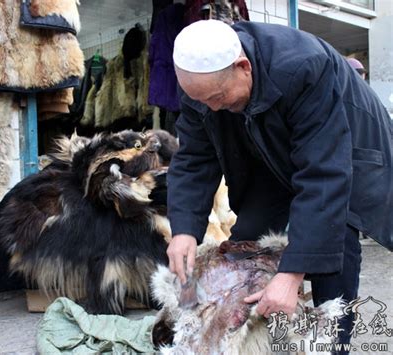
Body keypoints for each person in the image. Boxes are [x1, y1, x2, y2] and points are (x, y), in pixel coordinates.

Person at [166, 19, 392, 354]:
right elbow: (194, 159)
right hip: (270, 152)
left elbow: (322, 176)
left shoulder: (304, 67)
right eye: (203, 102)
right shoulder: (205, 88)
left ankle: (331, 345)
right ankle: (263, 343)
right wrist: (184, 230)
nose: (211, 108)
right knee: (248, 244)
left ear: (244, 68)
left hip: (345, 153)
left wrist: (291, 273)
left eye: (218, 98)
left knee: (334, 243)